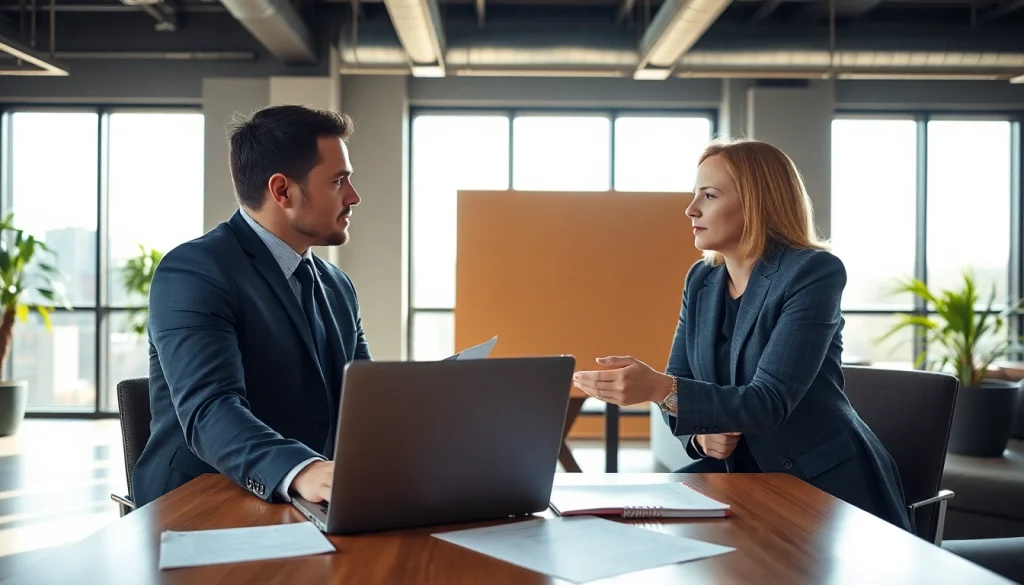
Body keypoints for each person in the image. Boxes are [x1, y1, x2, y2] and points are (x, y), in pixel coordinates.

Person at [571, 139, 911, 531]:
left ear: (756, 202)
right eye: (694, 194)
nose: (690, 209)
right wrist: (701, 439)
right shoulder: (701, 280)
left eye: (709, 195)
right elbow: (681, 383)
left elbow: (767, 402)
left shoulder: (813, 272)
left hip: (823, 489)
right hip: (738, 481)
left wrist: (657, 388)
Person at [131, 105, 370, 508]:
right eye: (338, 181)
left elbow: (363, 398)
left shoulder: (337, 286)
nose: (353, 197)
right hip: (200, 505)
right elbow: (210, 411)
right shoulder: (194, 272)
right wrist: (302, 470)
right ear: (282, 191)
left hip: (309, 504)